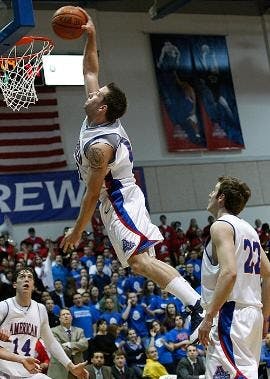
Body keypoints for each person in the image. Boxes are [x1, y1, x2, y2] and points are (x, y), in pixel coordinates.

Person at [60, 9, 203, 342]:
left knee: (138, 262)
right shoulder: (96, 119)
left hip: (120, 201)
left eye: (96, 95)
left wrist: (77, 231)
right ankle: (193, 304)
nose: (91, 93)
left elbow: (93, 194)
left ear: (104, 108)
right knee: (143, 264)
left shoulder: (101, 146)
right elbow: (91, 68)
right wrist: (91, 35)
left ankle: (197, 304)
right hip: (120, 201)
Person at [198, 176, 270, 378]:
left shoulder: (220, 226)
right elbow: (269, 273)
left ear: (221, 198)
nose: (210, 194)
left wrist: (209, 316)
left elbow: (229, 273)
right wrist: (264, 317)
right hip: (251, 314)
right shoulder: (249, 230)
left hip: (230, 313)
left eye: (214, 190)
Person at [0, 268, 88, 379]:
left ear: (33, 285)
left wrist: (71, 366)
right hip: (3, 370)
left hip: (27, 372)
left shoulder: (40, 309)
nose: (26, 279)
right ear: (14, 284)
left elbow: (51, 342)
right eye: (22, 276)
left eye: (30, 277)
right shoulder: (4, 306)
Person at [47, 308, 88, 379]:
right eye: (63, 314)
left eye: (68, 314)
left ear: (71, 317)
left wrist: (69, 344)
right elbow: (59, 348)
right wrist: (76, 349)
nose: (66, 316)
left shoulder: (79, 330)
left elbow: (84, 345)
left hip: (77, 367)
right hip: (60, 368)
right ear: (59, 318)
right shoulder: (53, 331)